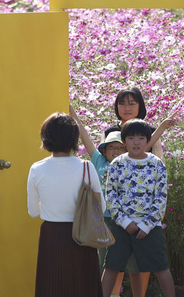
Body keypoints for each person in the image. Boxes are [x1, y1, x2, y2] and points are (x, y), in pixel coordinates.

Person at [27, 112, 104, 297]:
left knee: (52, 286)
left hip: (51, 235)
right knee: (83, 286)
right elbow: (101, 207)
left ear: (46, 138)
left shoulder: (37, 168)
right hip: (83, 234)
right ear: (74, 139)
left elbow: (33, 212)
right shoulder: (86, 167)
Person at [100, 119, 176, 297]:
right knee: (111, 267)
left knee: (161, 268)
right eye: (131, 137)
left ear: (148, 141)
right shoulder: (117, 164)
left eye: (141, 138)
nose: (136, 142)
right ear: (124, 141)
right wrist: (125, 222)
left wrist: (146, 225)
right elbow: (110, 196)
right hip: (120, 227)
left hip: (149, 228)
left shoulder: (157, 164)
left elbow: (161, 198)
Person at [72, 110, 131, 297]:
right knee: (100, 261)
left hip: (121, 220)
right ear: (103, 150)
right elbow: (83, 132)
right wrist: (71, 109)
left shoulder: (130, 163)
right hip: (100, 220)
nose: (117, 151)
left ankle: (113, 294)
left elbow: (148, 142)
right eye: (112, 147)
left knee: (117, 262)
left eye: (121, 147)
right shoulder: (98, 161)